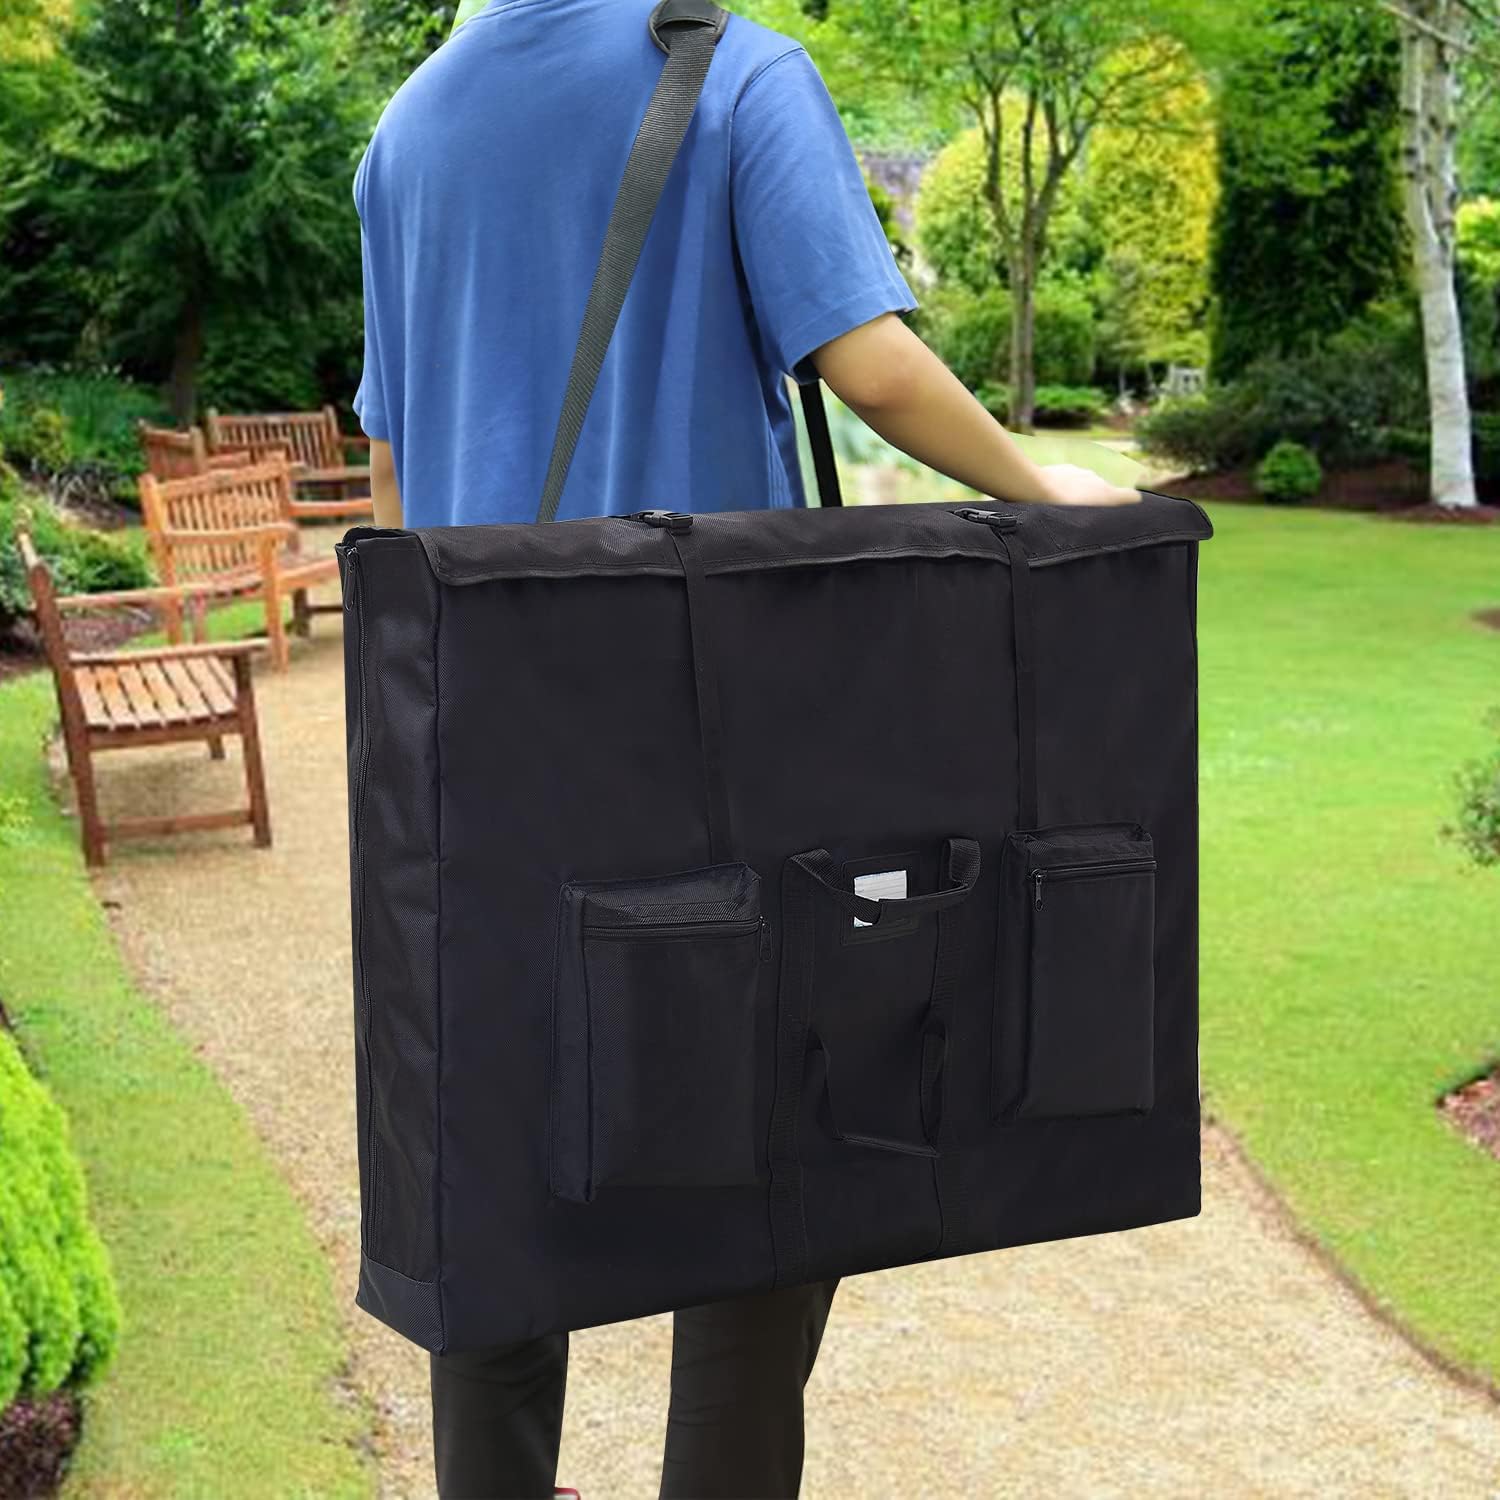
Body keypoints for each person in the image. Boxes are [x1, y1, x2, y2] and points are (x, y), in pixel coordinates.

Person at [351, 2, 1137, 1496]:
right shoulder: (731, 70)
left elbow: (394, 486)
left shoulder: (406, 132)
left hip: (486, 745)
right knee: (769, 1176)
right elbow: (869, 366)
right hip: (714, 737)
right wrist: (1043, 491)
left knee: (495, 1188)